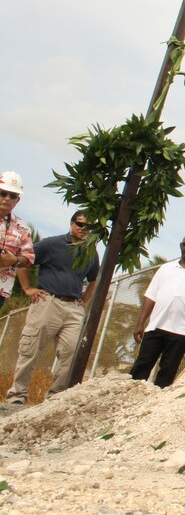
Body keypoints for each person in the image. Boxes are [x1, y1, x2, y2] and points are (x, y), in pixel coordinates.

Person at [5, 210, 100, 405]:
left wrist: (85, 299)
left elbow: (93, 279)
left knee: (71, 353)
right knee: (30, 350)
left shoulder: (91, 252)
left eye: (88, 227)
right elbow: (25, 261)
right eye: (80, 224)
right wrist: (28, 288)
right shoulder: (51, 244)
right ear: (71, 224)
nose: (84, 229)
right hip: (48, 303)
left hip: (73, 308)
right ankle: (17, 396)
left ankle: (56, 399)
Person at [130, 234, 185, 387]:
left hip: (181, 332)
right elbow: (150, 297)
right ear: (181, 246)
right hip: (156, 327)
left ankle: (156, 404)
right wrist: (140, 323)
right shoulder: (165, 269)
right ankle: (128, 399)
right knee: (141, 366)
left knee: (168, 371)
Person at [0, 171, 35, 311]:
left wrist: (14, 260)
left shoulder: (23, 228)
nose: (7, 198)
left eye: (13, 195)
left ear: (17, 200)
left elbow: (28, 258)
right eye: (3, 193)